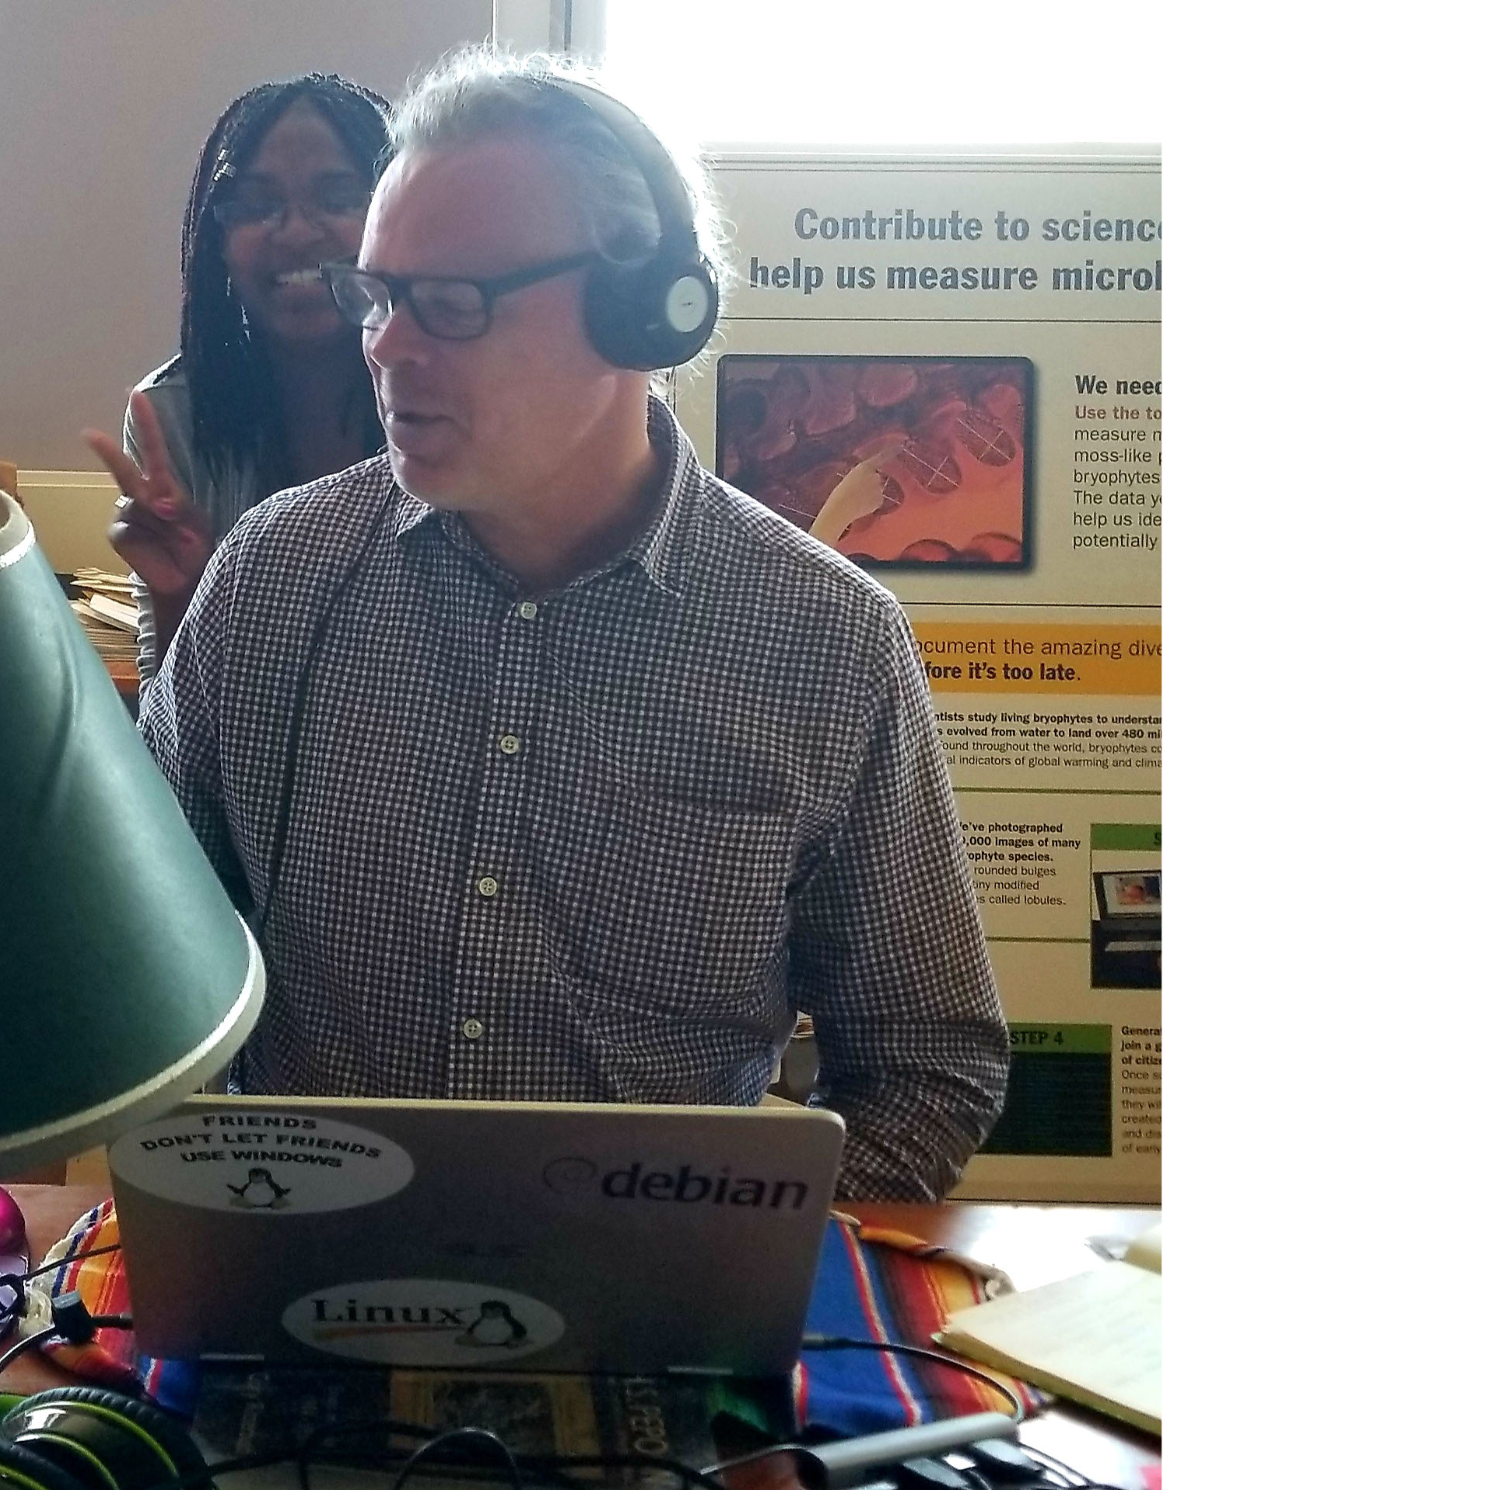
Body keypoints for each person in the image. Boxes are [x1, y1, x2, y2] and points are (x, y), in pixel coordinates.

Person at [133, 48, 1010, 1202]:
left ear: (637, 316)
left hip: (661, 1316)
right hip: (301, 1270)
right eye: (378, 294)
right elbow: (142, 974)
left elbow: (926, 1063)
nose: (387, 348)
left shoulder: (825, 639)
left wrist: (764, 1256)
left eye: (448, 302)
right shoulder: (272, 581)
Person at [83, 74, 392, 678]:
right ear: (217, 241)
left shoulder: (445, 392)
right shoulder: (174, 414)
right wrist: (186, 593)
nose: (298, 231)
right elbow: (171, 731)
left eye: (337, 197)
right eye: (255, 205)